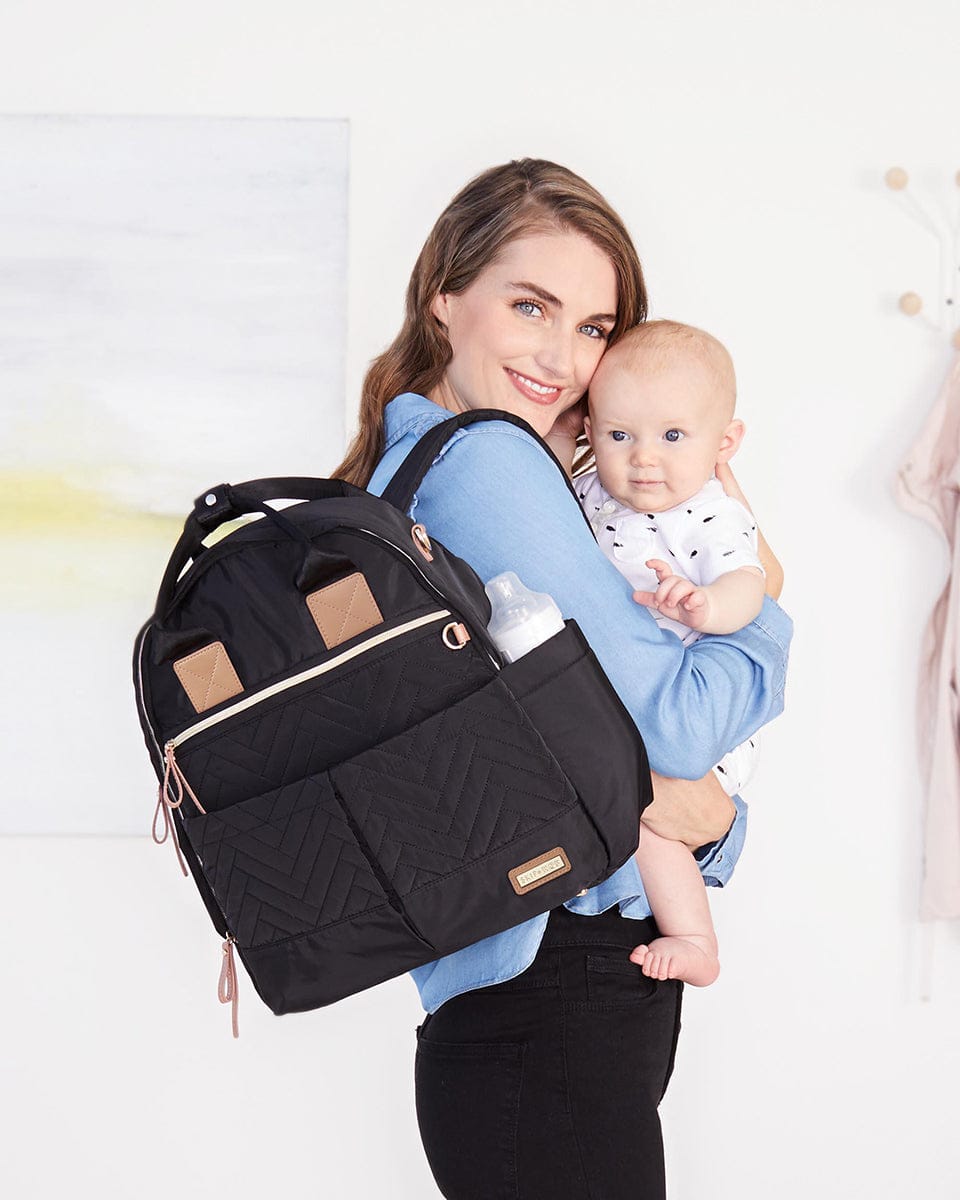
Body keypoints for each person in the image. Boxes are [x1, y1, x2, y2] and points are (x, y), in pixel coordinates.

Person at [336, 158, 792, 1200]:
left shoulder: (414, 466)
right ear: (444, 295)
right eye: (530, 306)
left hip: (529, 1009)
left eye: (593, 327)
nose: (562, 357)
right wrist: (764, 592)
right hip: (556, 994)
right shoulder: (485, 465)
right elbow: (676, 735)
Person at [559, 318, 769, 988]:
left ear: (723, 443)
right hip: (626, 702)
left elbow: (753, 583)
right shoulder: (593, 492)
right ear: (591, 432)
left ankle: (694, 937)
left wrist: (707, 605)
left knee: (654, 820)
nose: (644, 458)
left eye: (672, 436)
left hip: (696, 723)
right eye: (620, 436)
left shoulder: (708, 514)